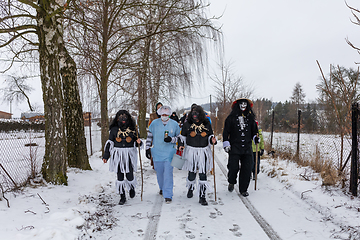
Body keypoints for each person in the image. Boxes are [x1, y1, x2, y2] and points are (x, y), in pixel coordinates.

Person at [178, 105, 217, 206]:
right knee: (192, 173)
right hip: (191, 151)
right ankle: (190, 188)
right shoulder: (187, 124)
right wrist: (181, 145)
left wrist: (212, 140)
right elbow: (182, 137)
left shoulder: (207, 123)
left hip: (203, 151)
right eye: (193, 113)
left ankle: (202, 196)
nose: (195, 115)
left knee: (203, 173)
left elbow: (210, 136)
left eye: (197, 113)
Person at [102, 110, 142, 205]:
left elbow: (137, 141)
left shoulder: (133, 128)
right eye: (120, 116)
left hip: (129, 155)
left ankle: (131, 188)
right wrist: (106, 156)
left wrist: (138, 142)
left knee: (129, 174)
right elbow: (110, 143)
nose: (123, 118)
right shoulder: (114, 129)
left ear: (128, 117)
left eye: (124, 116)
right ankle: (122, 196)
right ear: (117, 118)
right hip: (118, 155)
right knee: (119, 176)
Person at [223, 98, 259, 197]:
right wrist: (226, 143)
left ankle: (243, 189)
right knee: (233, 167)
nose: (243, 105)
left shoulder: (251, 118)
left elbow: (254, 132)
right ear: (237, 105)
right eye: (241, 104)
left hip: (247, 148)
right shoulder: (231, 118)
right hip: (234, 147)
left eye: (245, 104)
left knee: (247, 168)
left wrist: (256, 138)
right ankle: (231, 181)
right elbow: (226, 132)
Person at [145, 105, 181, 203]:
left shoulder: (174, 124)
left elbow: (179, 138)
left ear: (169, 114)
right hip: (157, 152)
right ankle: (162, 187)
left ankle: (168, 194)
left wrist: (171, 139)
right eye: (163, 114)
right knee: (160, 173)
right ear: (160, 114)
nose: (164, 116)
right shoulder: (154, 124)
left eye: (166, 114)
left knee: (168, 174)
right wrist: (147, 148)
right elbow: (149, 137)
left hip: (169, 153)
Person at [148, 102, 163, 169]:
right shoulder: (152, 116)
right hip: (155, 135)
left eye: (161, 107)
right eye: (158, 107)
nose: (159, 108)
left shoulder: (165, 114)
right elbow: (150, 126)